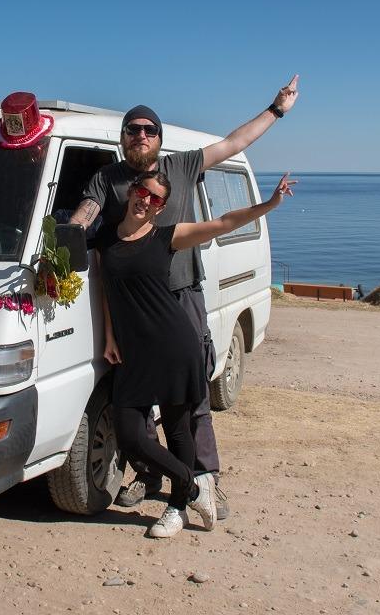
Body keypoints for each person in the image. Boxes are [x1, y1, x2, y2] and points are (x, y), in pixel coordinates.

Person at [70, 74, 299, 519]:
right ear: (122, 139)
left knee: (190, 399)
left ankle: (205, 477)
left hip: (182, 297)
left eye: (148, 129)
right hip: (133, 305)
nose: (140, 135)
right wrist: (67, 236)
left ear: (159, 138)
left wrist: (276, 110)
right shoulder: (107, 179)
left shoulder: (181, 166)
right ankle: (153, 474)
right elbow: (85, 215)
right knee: (135, 400)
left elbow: (234, 143)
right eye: (132, 129)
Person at [96, 169, 295, 537]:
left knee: (177, 429)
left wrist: (270, 204)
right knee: (130, 435)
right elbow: (106, 288)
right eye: (143, 192)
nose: (145, 201)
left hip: (174, 344)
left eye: (155, 199)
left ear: (161, 208)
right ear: (132, 191)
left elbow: (223, 222)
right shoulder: (105, 236)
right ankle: (192, 484)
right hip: (133, 352)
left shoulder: (166, 237)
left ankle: (176, 508)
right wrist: (110, 336)